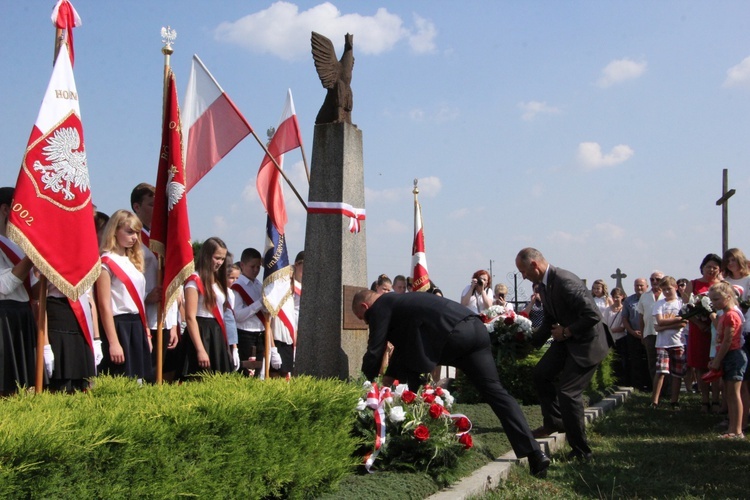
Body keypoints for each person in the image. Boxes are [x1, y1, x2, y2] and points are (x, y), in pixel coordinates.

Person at [352, 288, 550, 477]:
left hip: (451, 336)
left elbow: (375, 349)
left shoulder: (381, 305)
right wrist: (389, 379)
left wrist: (365, 385)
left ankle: (414, 447)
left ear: (364, 307)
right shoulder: (401, 302)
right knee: (496, 393)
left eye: (363, 319)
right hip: (475, 330)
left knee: (414, 383)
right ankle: (535, 454)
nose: (367, 323)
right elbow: (404, 347)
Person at [514, 248, 612, 462]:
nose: (523, 276)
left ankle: (581, 451)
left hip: (588, 342)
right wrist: (529, 346)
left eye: (523, 271)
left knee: (568, 393)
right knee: (541, 374)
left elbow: (592, 315)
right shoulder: (544, 285)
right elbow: (549, 319)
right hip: (568, 339)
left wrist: (567, 331)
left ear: (534, 265)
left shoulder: (566, 282)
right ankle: (554, 423)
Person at [130, 183, 179, 381]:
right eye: (151, 205)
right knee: (145, 374)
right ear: (137, 207)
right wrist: (145, 297)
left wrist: (174, 323)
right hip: (143, 316)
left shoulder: (163, 237)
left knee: (162, 374)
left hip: (165, 317)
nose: (157, 209)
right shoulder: (133, 240)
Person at [96, 210, 153, 380]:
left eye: (136, 232)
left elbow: (140, 302)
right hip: (118, 326)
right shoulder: (106, 262)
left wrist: (147, 333)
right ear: (114, 231)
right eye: (129, 232)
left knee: (139, 380)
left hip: (137, 325)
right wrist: (113, 342)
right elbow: (104, 305)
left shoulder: (133, 261)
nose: (135, 237)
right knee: (122, 378)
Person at [0, 187, 40, 394]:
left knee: (23, 384)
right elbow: (4, 286)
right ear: (6, 209)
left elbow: (32, 289)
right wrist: (33, 256)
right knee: (5, 382)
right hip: (4, 317)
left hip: (23, 314)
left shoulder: (20, 246)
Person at [181, 237, 232, 377]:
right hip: (201, 332)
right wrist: (200, 349)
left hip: (217, 333)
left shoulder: (218, 281)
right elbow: (190, 317)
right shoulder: (194, 280)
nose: (220, 263)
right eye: (217, 258)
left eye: (222, 259)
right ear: (207, 255)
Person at [708, 281, 747, 438]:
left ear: (728, 297)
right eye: (712, 300)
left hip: (733, 355)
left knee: (734, 393)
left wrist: (717, 360)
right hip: (727, 355)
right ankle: (732, 428)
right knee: (729, 394)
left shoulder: (731, 315)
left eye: (716, 299)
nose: (713, 303)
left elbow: (728, 340)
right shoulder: (724, 315)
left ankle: (737, 430)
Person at [683, 253, 722, 412]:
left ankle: (716, 400)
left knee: (716, 364)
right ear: (702, 268)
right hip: (699, 330)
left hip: (717, 329)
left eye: (715, 267)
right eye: (708, 267)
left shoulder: (722, 284)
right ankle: (705, 400)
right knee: (700, 366)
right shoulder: (694, 284)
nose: (711, 270)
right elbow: (686, 309)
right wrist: (699, 323)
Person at [650, 276, 687, 410]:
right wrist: (674, 321)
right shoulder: (659, 304)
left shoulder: (680, 303)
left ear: (675, 288)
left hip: (678, 341)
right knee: (661, 370)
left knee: (677, 373)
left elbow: (683, 322)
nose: (666, 292)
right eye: (664, 289)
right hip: (662, 343)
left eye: (669, 289)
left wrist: (663, 327)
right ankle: (654, 400)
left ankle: (674, 400)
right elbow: (659, 321)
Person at [231, 248, 267, 376]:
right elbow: (238, 315)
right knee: (246, 373)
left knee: (257, 373)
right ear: (242, 265)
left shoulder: (259, 285)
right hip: (245, 334)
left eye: (258, 267)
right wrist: (258, 304)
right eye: (252, 266)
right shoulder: (238, 286)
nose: (256, 270)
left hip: (260, 334)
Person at [638, 271, 664, 391]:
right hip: (649, 332)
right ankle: (655, 389)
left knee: (665, 363)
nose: (654, 282)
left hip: (665, 334)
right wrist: (643, 334)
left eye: (657, 279)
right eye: (652, 279)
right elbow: (641, 317)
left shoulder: (667, 294)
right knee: (652, 362)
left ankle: (666, 390)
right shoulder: (645, 296)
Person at [622, 278, 650, 391]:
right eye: (636, 285)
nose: (639, 288)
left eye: (641, 285)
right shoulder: (629, 300)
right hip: (633, 334)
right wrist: (632, 331)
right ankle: (637, 385)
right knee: (635, 360)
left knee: (649, 360)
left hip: (648, 334)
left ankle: (649, 384)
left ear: (646, 286)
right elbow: (624, 318)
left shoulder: (651, 299)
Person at [604, 287, 628, 386]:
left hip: (621, 337)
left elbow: (623, 327)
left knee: (622, 359)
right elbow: (604, 323)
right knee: (611, 359)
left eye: (617, 297)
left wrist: (611, 330)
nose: (615, 299)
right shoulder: (608, 310)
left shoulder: (624, 309)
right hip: (610, 338)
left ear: (622, 297)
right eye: (614, 297)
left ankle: (622, 380)